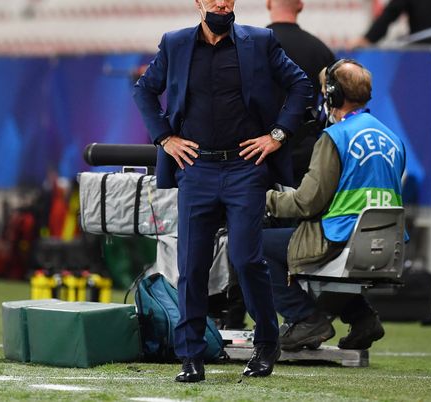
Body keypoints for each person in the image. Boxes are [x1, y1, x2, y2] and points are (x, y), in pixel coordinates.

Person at [133, 0, 312, 382]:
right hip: (195, 168)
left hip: (246, 168)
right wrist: (164, 137)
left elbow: (301, 84)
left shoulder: (261, 42)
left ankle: (266, 343)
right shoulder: (175, 43)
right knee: (192, 265)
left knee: (247, 258)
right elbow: (145, 91)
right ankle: (191, 356)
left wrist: (278, 134)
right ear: (198, 2)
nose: (221, 2)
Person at [262, 59, 406, 351]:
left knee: (254, 243)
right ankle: (362, 316)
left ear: (332, 96)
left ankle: (305, 319)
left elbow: (306, 203)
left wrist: (265, 200)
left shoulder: (335, 137)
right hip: (385, 244)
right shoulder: (393, 138)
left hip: (340, 238)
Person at [266, 0, 336, 184]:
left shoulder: (252, 46)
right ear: (300, 6)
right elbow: (333, 104)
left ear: (268, 4)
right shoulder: (320, 50)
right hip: (306, 152)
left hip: (261, 150)